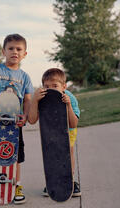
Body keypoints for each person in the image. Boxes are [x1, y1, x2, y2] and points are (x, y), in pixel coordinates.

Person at [0, 34, 34, 204]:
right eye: (11, 48)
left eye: (19, 49)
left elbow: (27, 100)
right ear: (3, 51)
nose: (14, 52)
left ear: (25, 54)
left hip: (14, 124)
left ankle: (16, 184)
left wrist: (25, 116)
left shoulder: (25, 77)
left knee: (16, 155)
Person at [28, 68, 81, 197]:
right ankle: (52, 182)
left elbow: (74, 124)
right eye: (46, 86)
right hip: (49, 132)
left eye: (55, 86)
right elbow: (32, 120)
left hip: (67, 131)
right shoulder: (41, 98)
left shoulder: (70, 98)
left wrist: (68, 105)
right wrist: (34, 100)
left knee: (67, 153)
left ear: (64, 86)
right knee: (51, 156)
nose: (50, 89)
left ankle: (70, 181)